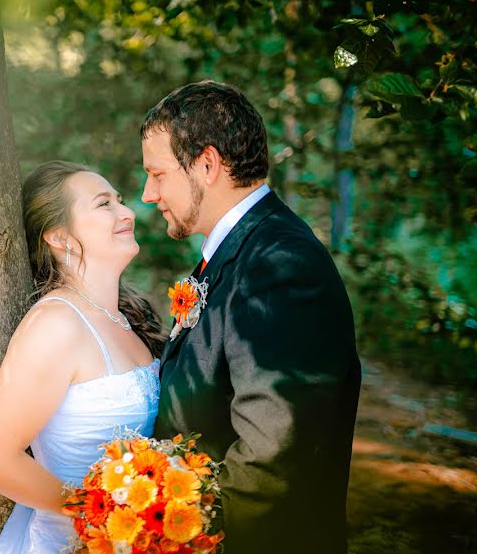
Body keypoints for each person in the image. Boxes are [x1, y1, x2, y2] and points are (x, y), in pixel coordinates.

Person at [140, 80, 362, 553]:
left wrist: (186, 536)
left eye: (157, 175)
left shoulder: (279, 264)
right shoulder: (235, 253)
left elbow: (272, 451)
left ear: (206, 164)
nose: (146, 193)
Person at [0, 161, 165, 553]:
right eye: (104, 204)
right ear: (59, 237)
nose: (127, 213)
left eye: (119, 201)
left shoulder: (124, 318)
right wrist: (98, 513)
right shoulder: (56, 324)